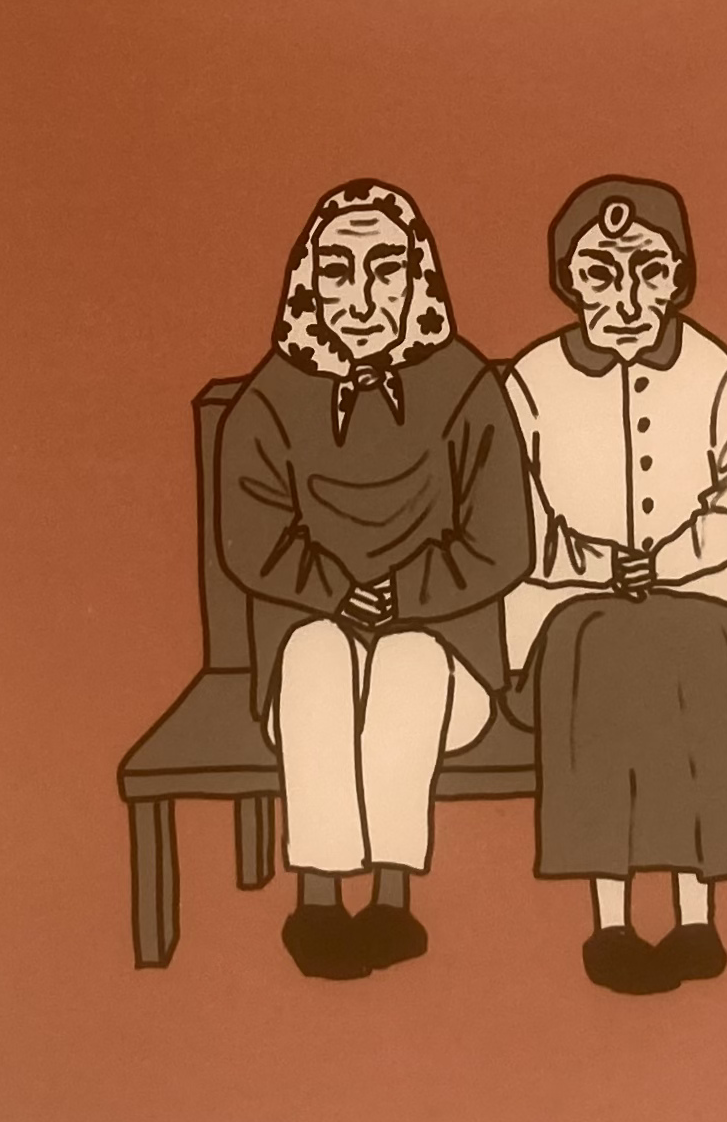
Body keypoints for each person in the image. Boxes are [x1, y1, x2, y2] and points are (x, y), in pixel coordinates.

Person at [215, 180, 531, 981]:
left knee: (408, 660)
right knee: (317, 655)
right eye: (338, 272)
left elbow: (503, 544)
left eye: (385, 270)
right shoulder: (270, 397)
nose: (360, 298)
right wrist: (335, 594)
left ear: (417, 278)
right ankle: (318, 900)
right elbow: (250, 539)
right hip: (313, 651)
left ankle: (392, 899)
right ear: (308, 284)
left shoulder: (466, 387)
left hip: (446, 662)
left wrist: (403, 596)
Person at [504, 178, 727, 995]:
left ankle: (698, 916)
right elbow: (508, 512)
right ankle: (611, 921)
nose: (626, 299)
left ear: (677, 278)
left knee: (701, 651)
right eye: (600, 273)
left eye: (648, 272)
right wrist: (595, 565)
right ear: (568, 280)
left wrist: (670, 561)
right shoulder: (533, 380)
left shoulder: (711, 369)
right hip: (571, 611)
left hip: (704, 605)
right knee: (601, 653)